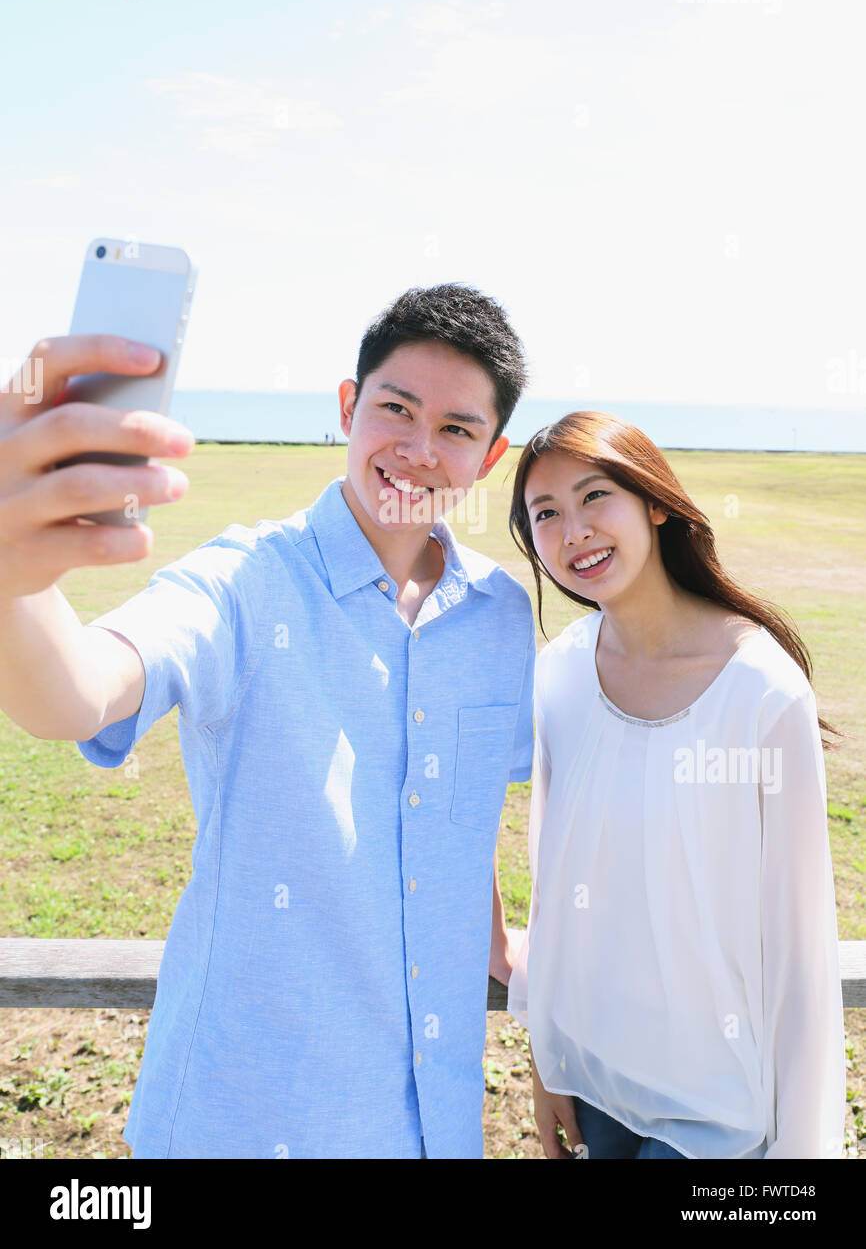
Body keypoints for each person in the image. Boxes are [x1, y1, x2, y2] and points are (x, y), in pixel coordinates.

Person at [0, 283, 536, 1159]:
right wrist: (12, 574)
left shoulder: (500, 618)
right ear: (346, 407)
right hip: (244, 1120)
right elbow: (74, 693)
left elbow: (460, 814)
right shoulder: (247, 581)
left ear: (491, 454)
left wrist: (500, 941)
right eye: (395, 409)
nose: (417, 449)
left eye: (456, 429)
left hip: (435, 1129)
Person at [506, 411, 846, 1160]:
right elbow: (557, 885)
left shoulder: (761, 690)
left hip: (716, 1116)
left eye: (596, 497)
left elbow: (799, 949)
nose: (575, 533)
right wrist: (548, 1058)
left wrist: (798, 1160)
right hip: (596, 1084)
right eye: (547, 515)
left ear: (655, 502)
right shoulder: (559, 673)